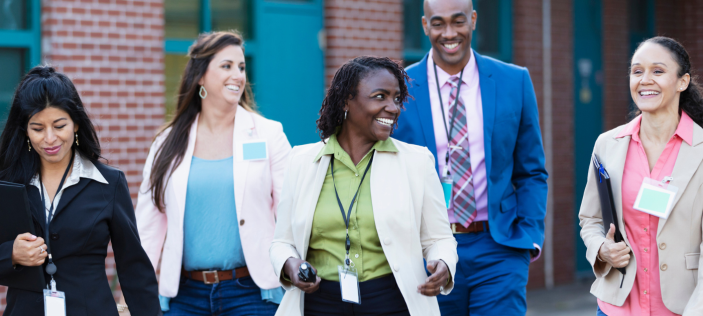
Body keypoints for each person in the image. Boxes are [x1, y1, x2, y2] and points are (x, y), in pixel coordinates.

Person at [392, 0, 548, 315]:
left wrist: (529, 235)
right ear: (425, 26)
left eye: (458, 21)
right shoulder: (400, 87)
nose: (449, 33)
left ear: (473, 20)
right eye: (438, 23)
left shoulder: (513, 81)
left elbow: (531, 171)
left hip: (498, 247)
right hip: (427, 251)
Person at [270, 56, 458, 316]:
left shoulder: (417, 162)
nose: (393, 108)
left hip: (392, 302)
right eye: (380, 96)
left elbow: (439, 238)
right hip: (319, 305)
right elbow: (282, 243)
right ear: (346, 100)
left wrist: (443, 263)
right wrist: (291, 266)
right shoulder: (300, 162)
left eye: (396, 99)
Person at [133, 31, 291, 315]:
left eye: (241, 67)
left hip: (253, 295)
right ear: (201, 77)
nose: (238, 75)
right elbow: (147, 228)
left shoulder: (269, 135)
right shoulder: (166, 143)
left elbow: (290, 212)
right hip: (184, 298)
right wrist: (134, 295)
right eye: (227, 66)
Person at [0, 66, 161, 315]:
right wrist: (9, 254)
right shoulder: (7, 181)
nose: (50, 138)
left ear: (76, 124)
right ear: (24, 131)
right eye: (38, 128)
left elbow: (133, 267)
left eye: (59, 125)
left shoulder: (110, 183)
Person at [579, 36, 703, 316]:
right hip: (615, 307)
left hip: (684, 307)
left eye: (657, 71)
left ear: (682, 82)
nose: (645, 79)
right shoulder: (607, 144)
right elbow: (591, 219)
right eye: (637, 71)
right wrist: (602, 249)